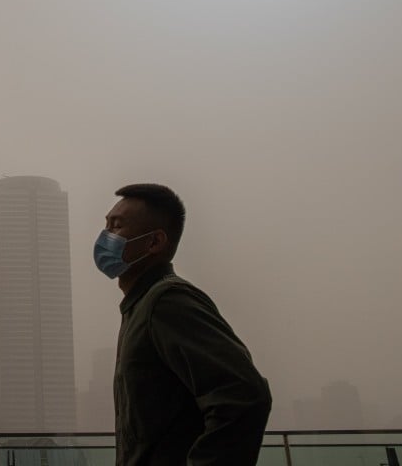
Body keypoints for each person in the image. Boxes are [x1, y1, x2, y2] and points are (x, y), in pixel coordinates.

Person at [94, 183, 272, 466]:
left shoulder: (167, 301)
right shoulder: (139, 306)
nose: (105, 237)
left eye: (116, 227)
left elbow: (245, 395)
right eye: (105, 226)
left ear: (154, 242)